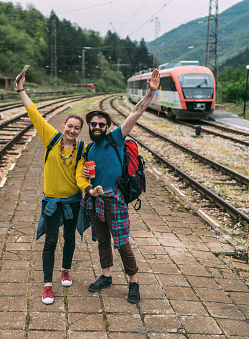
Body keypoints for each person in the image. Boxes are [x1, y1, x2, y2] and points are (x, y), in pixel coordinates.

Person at [15, 71, 103, 305]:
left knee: (70, 238)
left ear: (80, 131)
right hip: (52, 201)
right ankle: (47, 286)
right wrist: (21, 89)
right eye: (70, 126)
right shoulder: (51, 139)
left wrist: (88, 190)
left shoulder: (82, 149)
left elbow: (80, 176)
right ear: (63, 125)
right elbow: (34, 114)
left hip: (73, 201)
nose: (72, 130)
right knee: (50, 242)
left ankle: (65, 270)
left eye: (77, 128)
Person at [81, 69, 160, 304]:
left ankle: (133, 282)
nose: (97, 127)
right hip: (95, 201)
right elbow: (84, 176)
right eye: (93, 124)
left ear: (107, 126)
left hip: (114, 200)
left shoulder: (115, 138)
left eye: (101, 124)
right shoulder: (88, 149)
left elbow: (135, 113)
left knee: (122, 242)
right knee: (103, 241)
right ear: (90, 125)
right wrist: (86, 178)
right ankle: (106, 276)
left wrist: (150, 92)